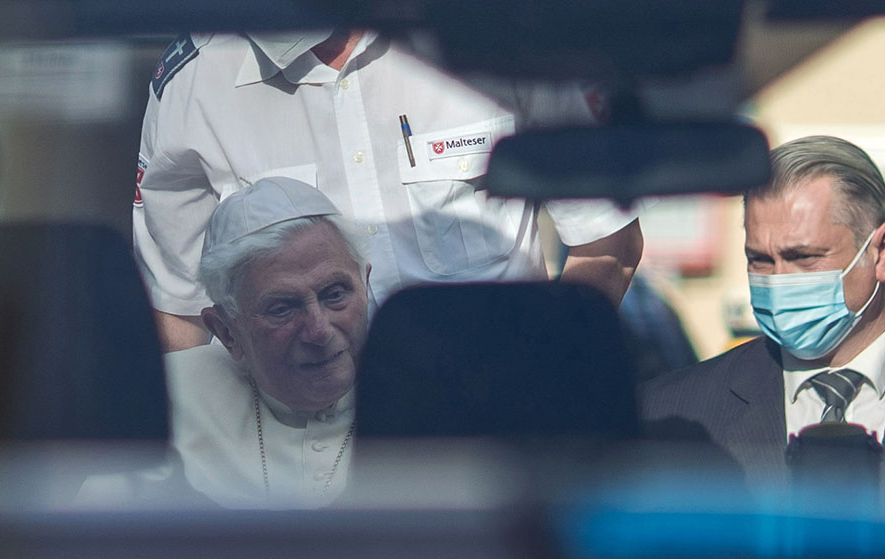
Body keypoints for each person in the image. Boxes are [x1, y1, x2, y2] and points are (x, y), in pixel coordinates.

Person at [134, 29, 645, 352]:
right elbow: (180, 313)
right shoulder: (193, 82)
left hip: (497, 434)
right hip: (296, 461)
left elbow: (607, 242)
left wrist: (550, 377)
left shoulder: (503, 36)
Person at [640, 135, 885, 505]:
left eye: (804, 257)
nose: (777, 281)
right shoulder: (674, 413)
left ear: (882, 250)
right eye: (759, 259)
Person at [165, 176, 369, 508]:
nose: (319, 330)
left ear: (366, 286)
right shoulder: (169, 394)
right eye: (282, 308)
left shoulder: (428, 390)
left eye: (334, 295)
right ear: (227, 331)